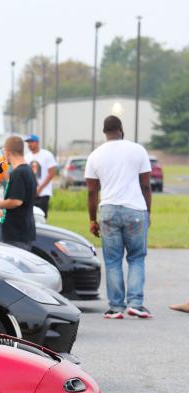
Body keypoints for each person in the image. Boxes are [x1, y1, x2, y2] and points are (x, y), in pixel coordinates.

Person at [85, 115, 153, 320]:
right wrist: (148, 213)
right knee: (136, 257)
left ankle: (115, 307)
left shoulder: (95, 155)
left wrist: (92, 219)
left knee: (113, 260)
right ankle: (136, 304)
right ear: (121, 129)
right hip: (135, 210)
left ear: (104, 132)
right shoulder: (138, 150)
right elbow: (146, 186)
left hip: (108, 210)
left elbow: (91, 192)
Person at [0, 136, 36, 251]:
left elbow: (16, 201)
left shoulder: (18, 172)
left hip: (17, 234)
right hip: (24, 230)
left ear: (7, 152)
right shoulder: (28, 170)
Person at [25, 134, 58, 217]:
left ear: (37, 142)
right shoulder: (27, 157)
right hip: (30, 192)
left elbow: (52, 173)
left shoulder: (47, 155)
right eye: (28, 142)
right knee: (30, 216)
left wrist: (40, 188)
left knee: (41, 216)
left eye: (31, 142)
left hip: (43, 192)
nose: (30, 144)